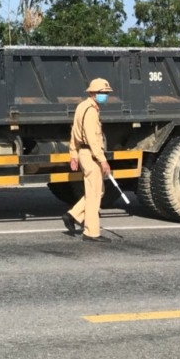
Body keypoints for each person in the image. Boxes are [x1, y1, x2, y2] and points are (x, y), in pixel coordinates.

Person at [64, 77, 113, 243]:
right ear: (93, 93)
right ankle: (91, 232)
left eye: (106, 93)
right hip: (91, 155)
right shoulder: (91, 111)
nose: (105, 96)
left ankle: (73, 215)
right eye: (103, 93)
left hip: (84, 154)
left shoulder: (81, 107)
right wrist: (103, 160)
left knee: (98, 190)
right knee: (94, 195)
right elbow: (92, 140)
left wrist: (73, 154)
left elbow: (73, 133)